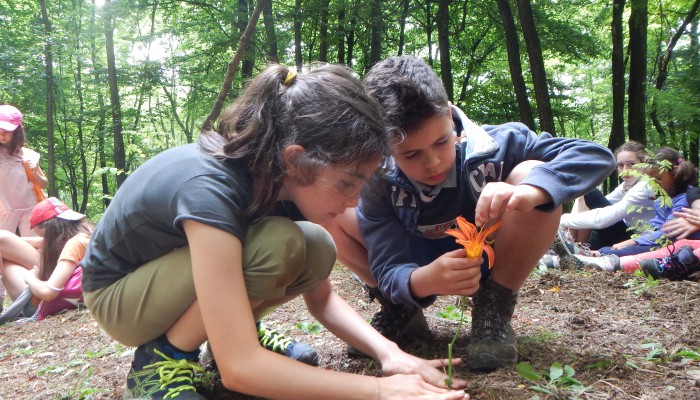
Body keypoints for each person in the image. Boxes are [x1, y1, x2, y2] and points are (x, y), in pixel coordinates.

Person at [80, 64, 469, 400]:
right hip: (119, 297)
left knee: (315, 244)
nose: (353, 202)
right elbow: (241, 368)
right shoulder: (211, 188)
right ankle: (158, 364)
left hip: (166, 280)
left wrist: (390, 354)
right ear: (296, 158)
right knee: (278, 243)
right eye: (349, 183)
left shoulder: (282, 181)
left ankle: (229, 331)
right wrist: (380, 391)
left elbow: (323, 301)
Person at [322, 55, 616, 371]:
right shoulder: (379, 180)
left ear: (449, 117)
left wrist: (530, 191)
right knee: (328, 208)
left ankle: (494, 307)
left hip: (491, 256)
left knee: (533, 171)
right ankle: (401, 311)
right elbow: (387, 264)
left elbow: (595, 156)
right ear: (386, 147)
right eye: (411, 154)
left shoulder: (500, 143)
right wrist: (420, 281)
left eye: (440, 142)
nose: (432, 162)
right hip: (417, 263)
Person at [592, 147, 700, 257]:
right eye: (650, 179)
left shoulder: (684, 198)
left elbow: (668, 232)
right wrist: (637, 240)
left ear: (675, 173)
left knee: (628, 251)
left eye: (658, 178)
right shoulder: (661, 198)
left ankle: (600, 256)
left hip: (669, 245)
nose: (654, 183)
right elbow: (655, 225)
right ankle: (597, 253)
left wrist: (633, 242)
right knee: (611, 248)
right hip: (655, 241)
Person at [0, 197, 91, 322]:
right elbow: (34, 242)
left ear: (52, 230)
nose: (44, 240)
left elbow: (49, 293)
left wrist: (31, 278)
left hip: (45, 304)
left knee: (6, 257)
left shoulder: (74, 244)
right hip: (72, 295)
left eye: (44, 236)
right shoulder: (89, 236)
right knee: (5, 246)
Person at [558, 141, 656, 250]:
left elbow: (605, 218)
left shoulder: (645, 186)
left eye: (631, 164)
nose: (625, 170)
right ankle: (574, 245)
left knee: (589, 194)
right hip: (625, 234)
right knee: (584, 194)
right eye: (620, 165)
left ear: (644, 164)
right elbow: (601, 204)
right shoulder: (627, 185)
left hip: (637, 240)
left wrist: (563, 219)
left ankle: (574, 246)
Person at [0, 104, 48, 236]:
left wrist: (34, 173)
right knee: (3, 248)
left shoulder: (28, 155)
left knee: (34, 248)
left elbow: (44, 184)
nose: (1, 135)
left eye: (6, 132)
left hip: (29, 210)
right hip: (4, 212)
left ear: (17, 132)